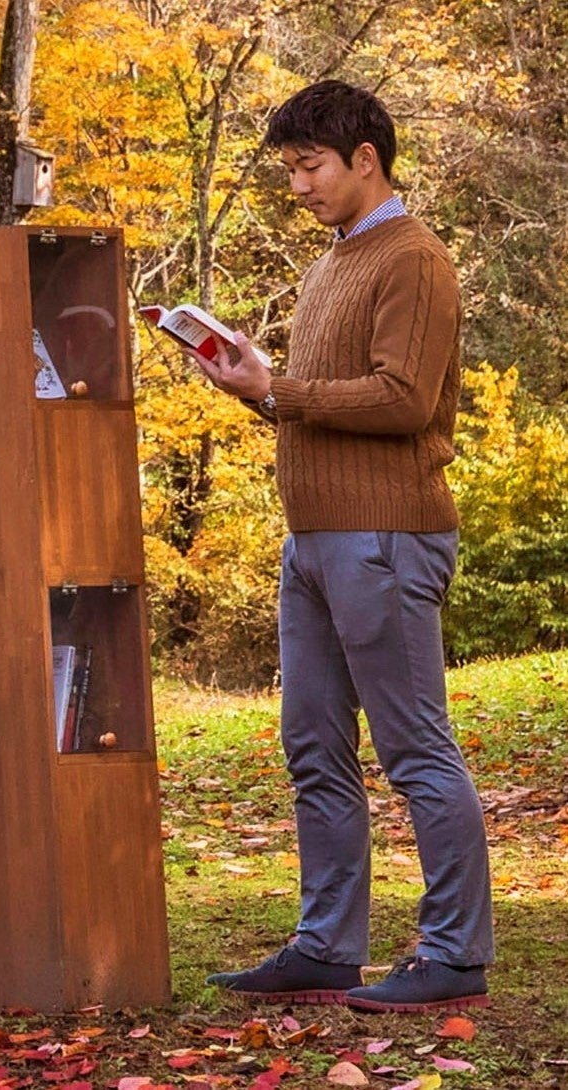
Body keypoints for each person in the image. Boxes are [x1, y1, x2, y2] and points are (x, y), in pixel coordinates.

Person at [193, 81, 492, 1012]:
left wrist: (280, 390)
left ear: (366, 158)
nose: (298, 184)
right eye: (288, 168)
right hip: (314, 539)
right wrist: (255, 388)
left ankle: (454, 955)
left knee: (414, 752)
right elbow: (316, 402)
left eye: (309, 165)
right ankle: (326, 946)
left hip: (388, 538)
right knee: (312, 748)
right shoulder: (331, 264)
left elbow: (403, 400)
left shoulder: (415, 259)